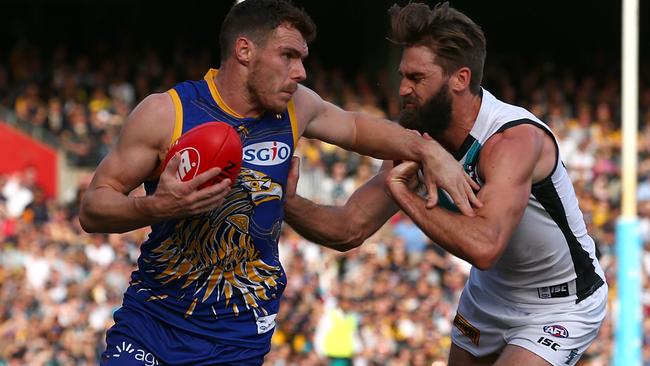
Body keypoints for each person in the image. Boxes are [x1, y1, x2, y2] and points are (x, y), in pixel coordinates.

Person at [78, 0, 478, 365]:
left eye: (302, 58)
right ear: (244, 51)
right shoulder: (168, 113)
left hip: (238, 338)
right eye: (288, 56)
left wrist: (427, 151)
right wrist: (155, 206)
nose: (300, 71)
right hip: (152, 326)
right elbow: (93, 208)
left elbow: (357, 127)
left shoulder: (296, 106)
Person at [284, 2, 607, 365]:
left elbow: (485, 247)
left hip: (559, 304)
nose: (402, 89)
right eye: (403, 76)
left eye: (416, 79)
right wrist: (285, 201)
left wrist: (404, 194)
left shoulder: (512, 140)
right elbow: (348, 228)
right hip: (489, 298)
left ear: (460, 78)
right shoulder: (418, 137)